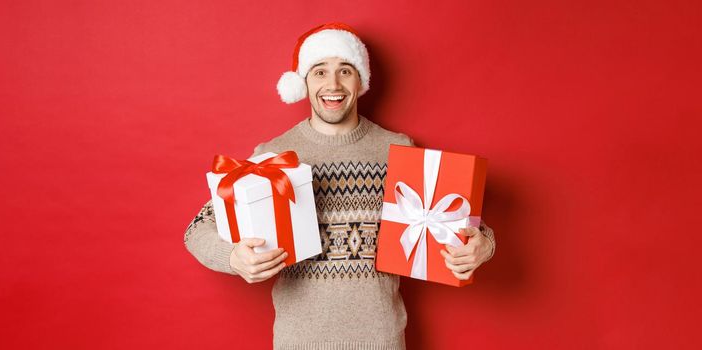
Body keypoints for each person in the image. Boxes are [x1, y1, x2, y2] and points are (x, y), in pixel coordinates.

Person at [184, 22, 496, 350]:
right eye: (320, 71)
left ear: (360, 79)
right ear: (303, 81)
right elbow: (197, 229)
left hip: (381, 341)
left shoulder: (398, 149)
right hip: (298, 343)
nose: (332, 84)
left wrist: (484, 245)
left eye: (345, 70)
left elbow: (466, 227)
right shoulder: (271, 157)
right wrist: (233, 257)